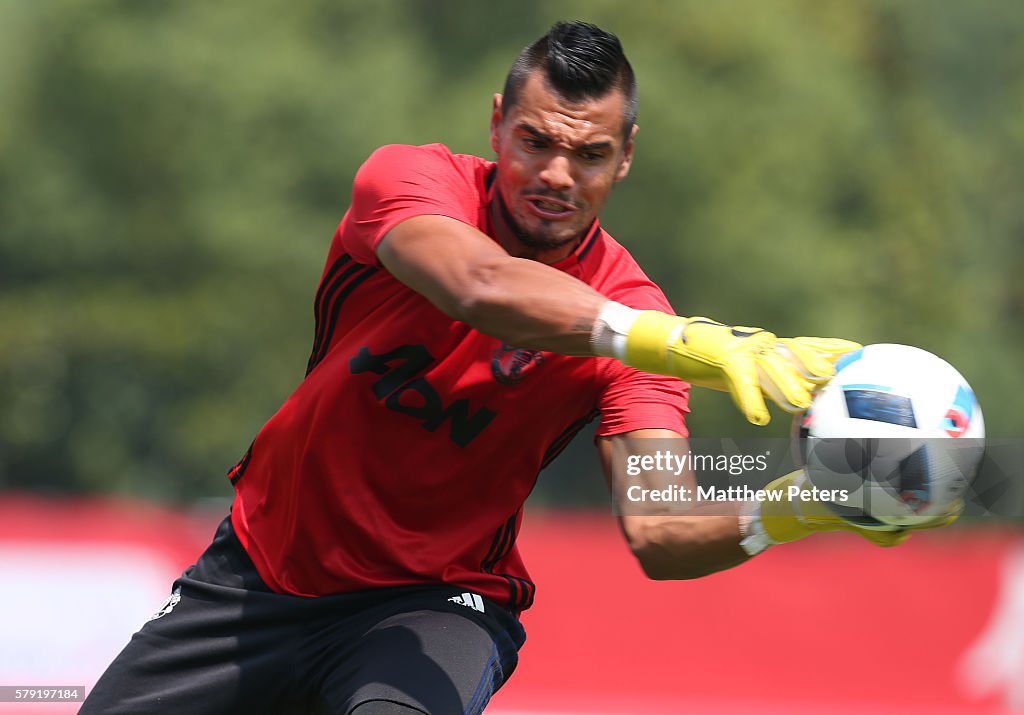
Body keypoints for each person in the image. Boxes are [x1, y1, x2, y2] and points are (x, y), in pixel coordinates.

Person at [81, 20, 946, 715]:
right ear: (497, 121)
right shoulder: (413, 182)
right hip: (254, 578)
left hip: (432, 604)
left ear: (627, 155)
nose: (557, 175)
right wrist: (686, 341)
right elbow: (478, 284)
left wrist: (801, 506)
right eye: (535, 141)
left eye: (591, 154)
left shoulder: (636, 311)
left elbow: (661, 530)